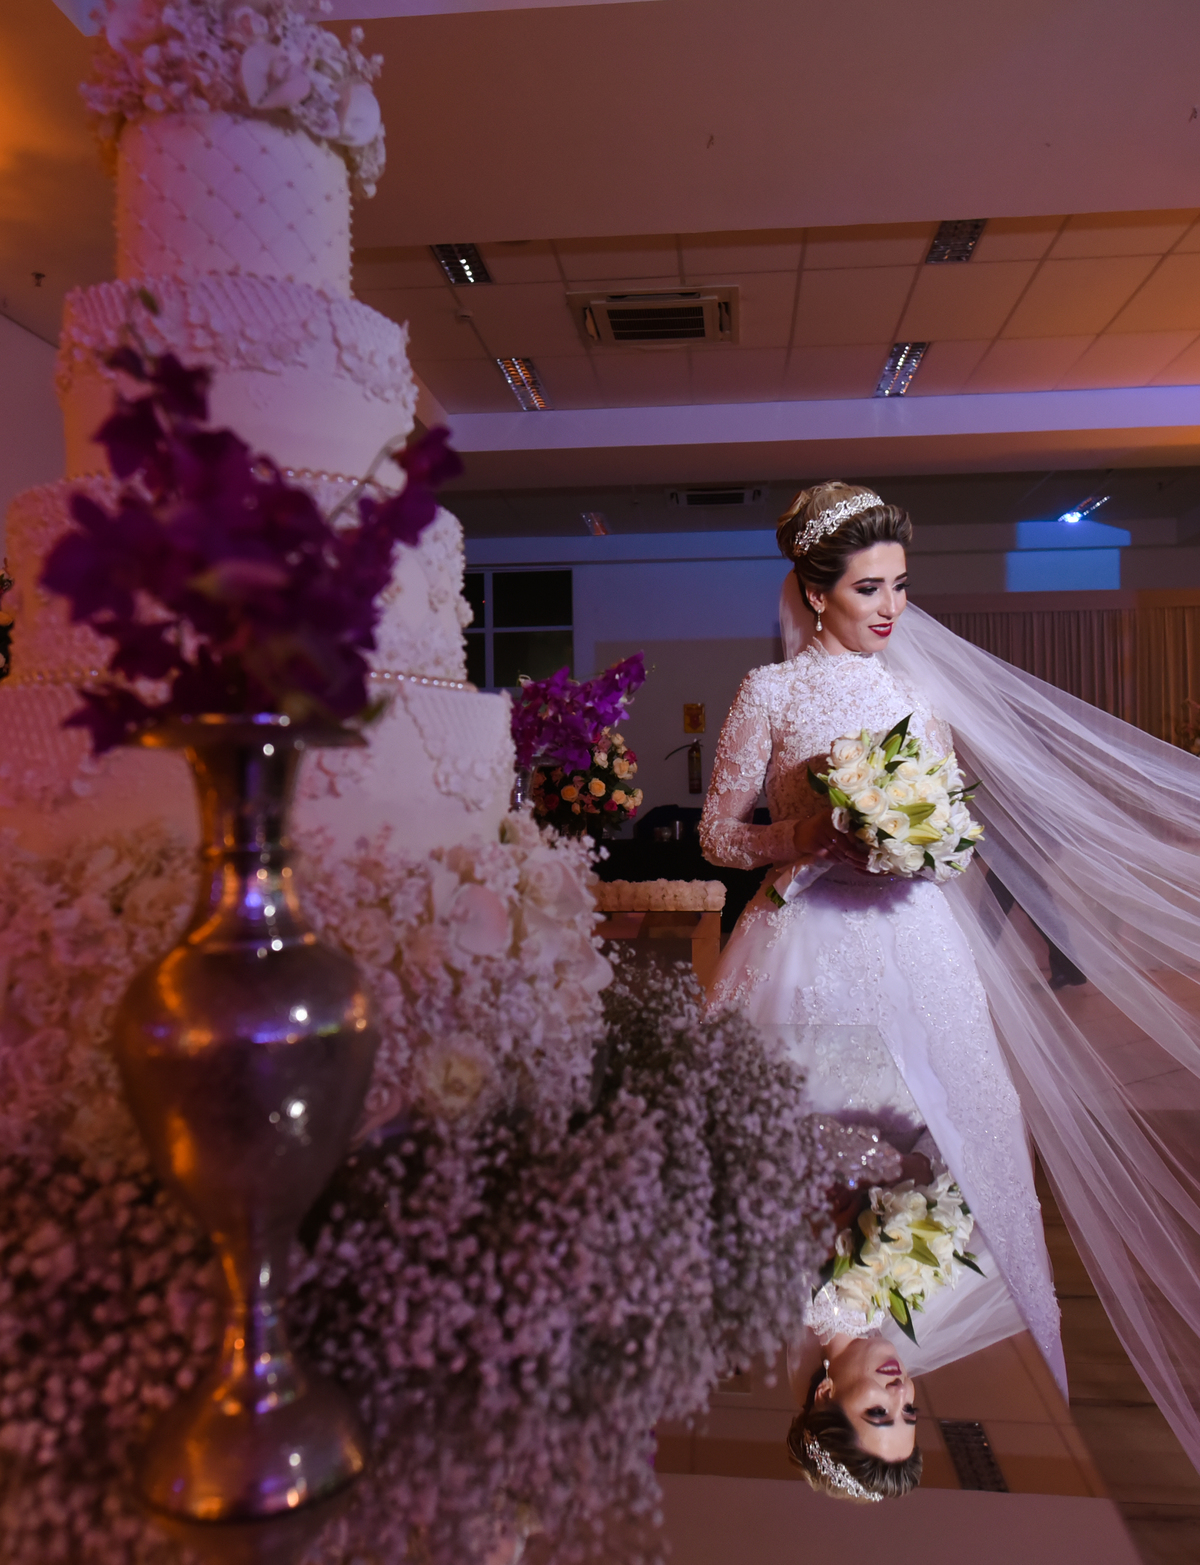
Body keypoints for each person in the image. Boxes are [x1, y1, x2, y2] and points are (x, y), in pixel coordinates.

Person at [700, 480, 1200, 1487]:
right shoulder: (772, 693)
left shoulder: (919, 695)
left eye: (900, 585)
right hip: (806, 945)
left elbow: (949, 837)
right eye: (870, 588)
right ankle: (824, 1333)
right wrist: (811, 832)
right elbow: (718, 833)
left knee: (960, 1133)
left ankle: (969, 1356)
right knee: (812, 1149)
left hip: (918, 945)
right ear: (815, 591)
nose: (893, 607)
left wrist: (916, 844)